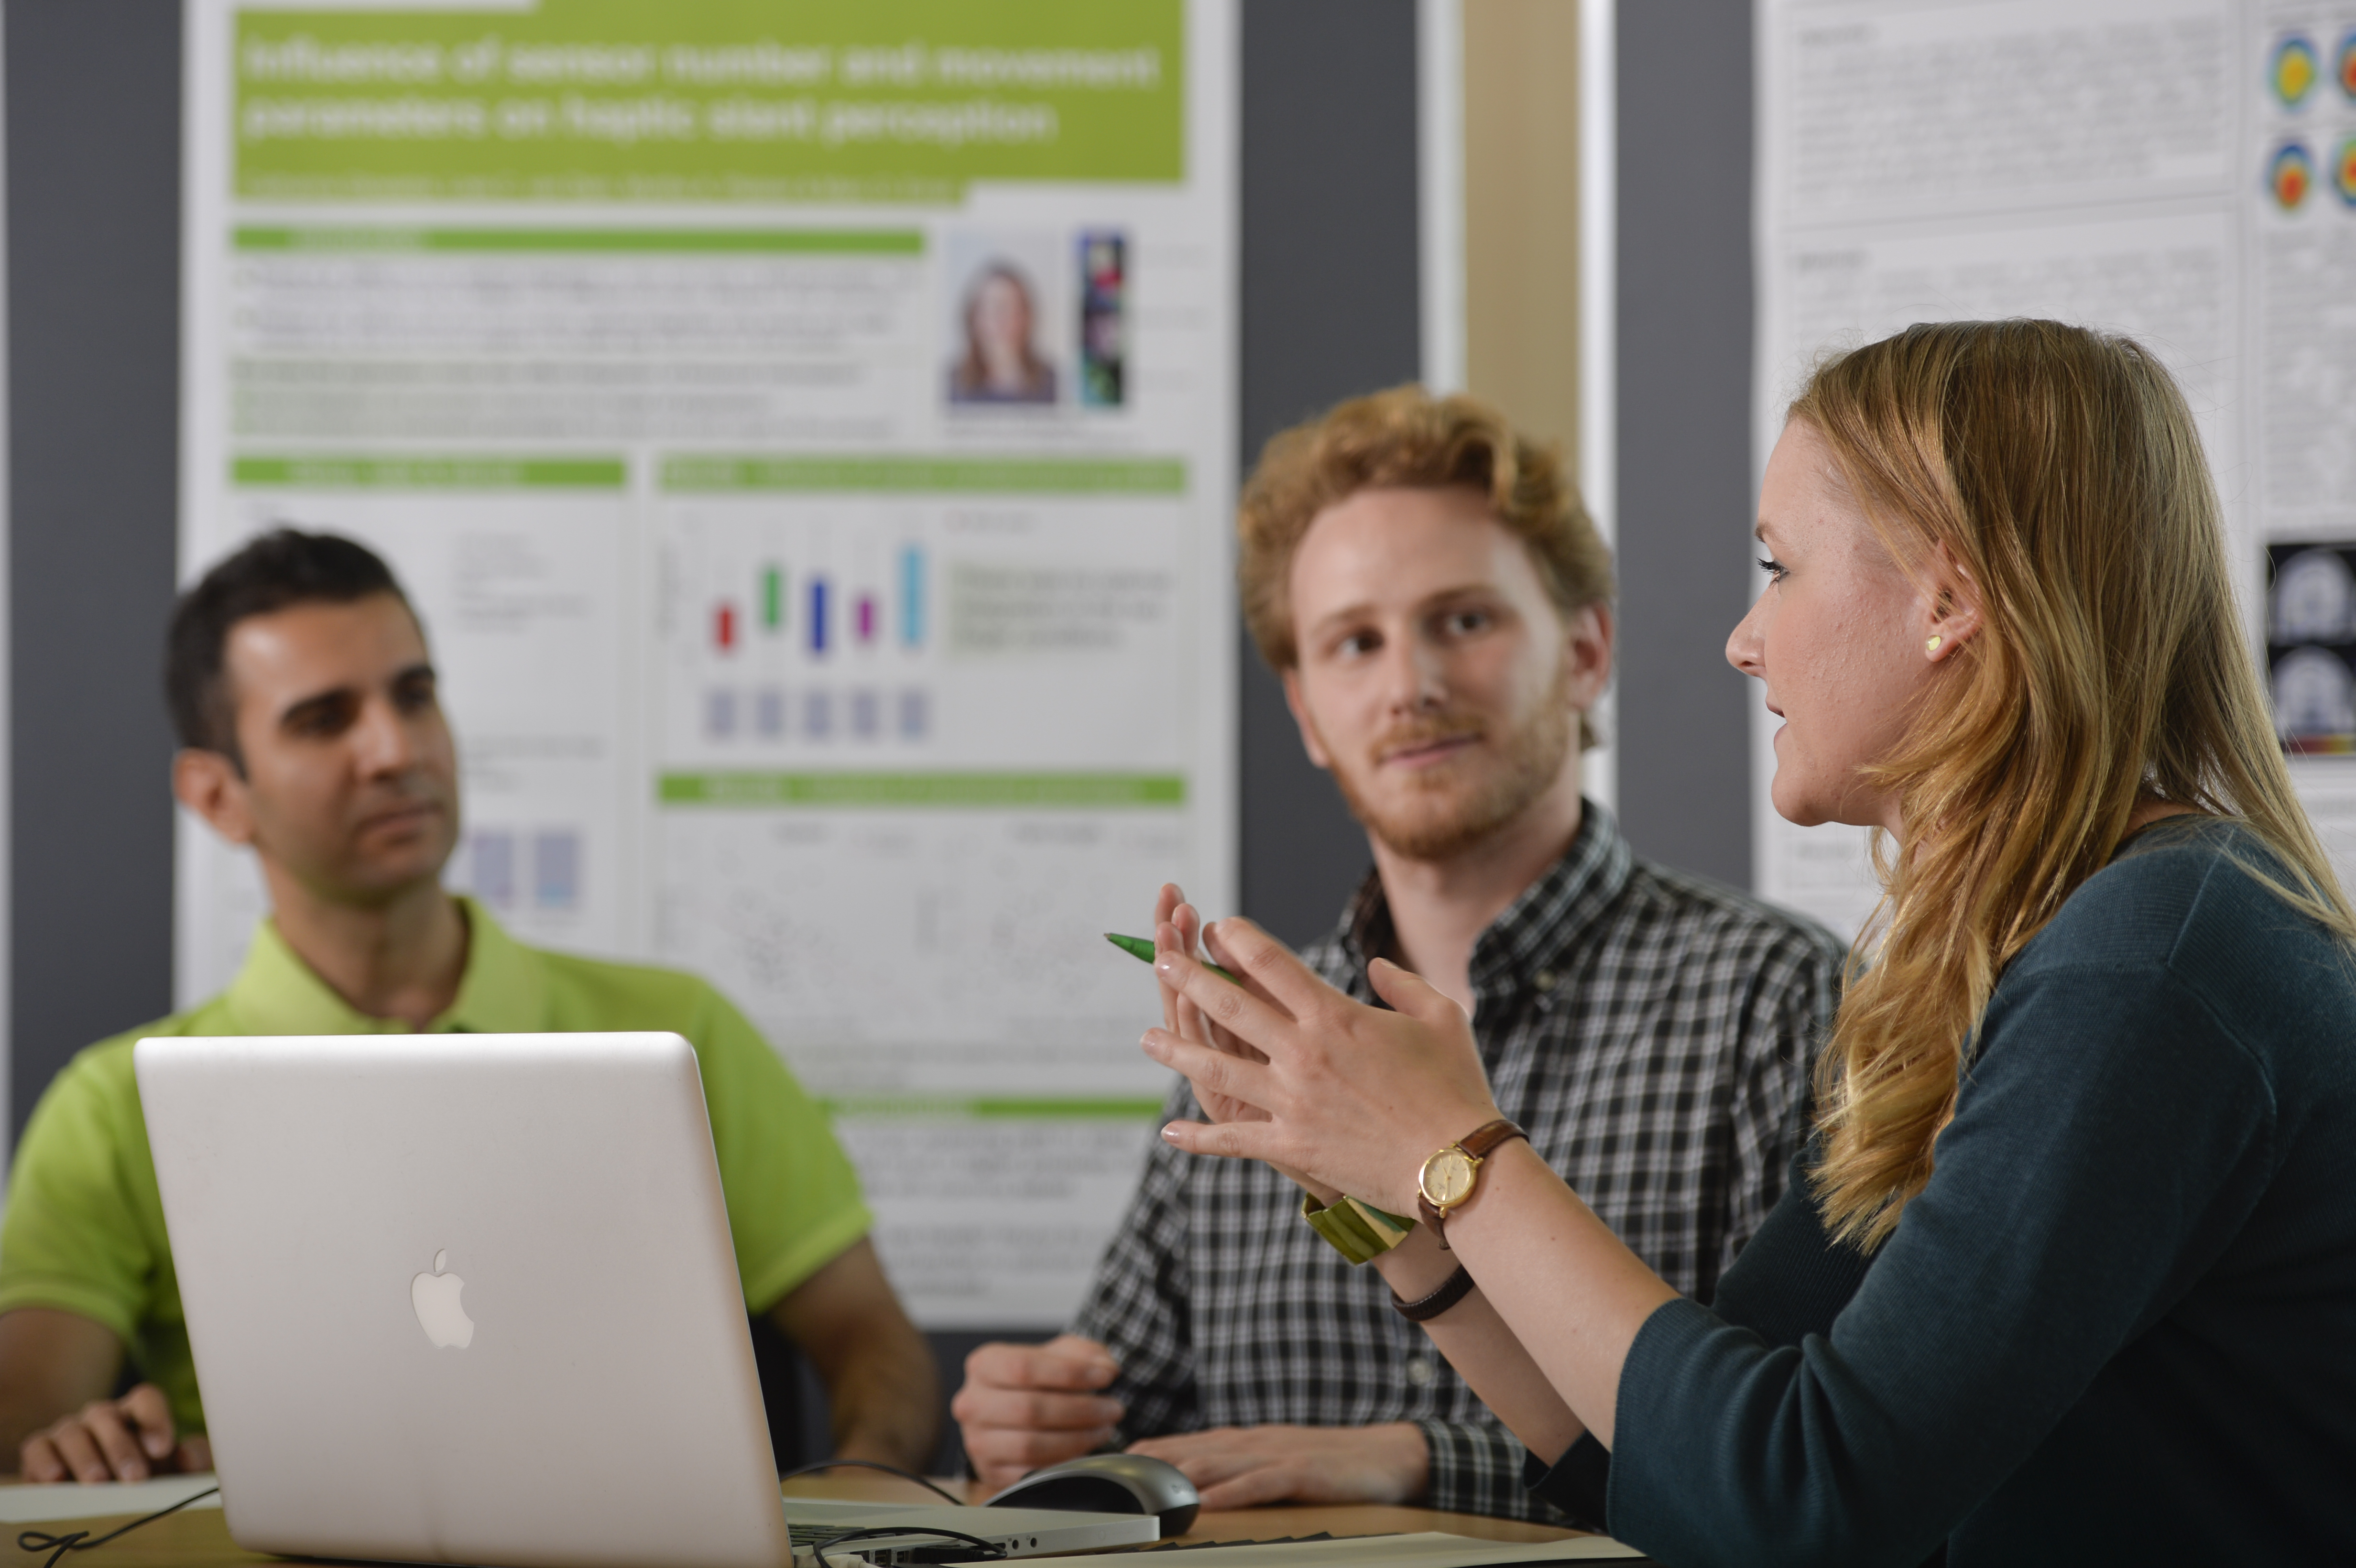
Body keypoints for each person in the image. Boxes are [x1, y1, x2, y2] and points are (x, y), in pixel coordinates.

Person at [1141, 322, 2356, 1562]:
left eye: (1780, 568)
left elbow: (1800, 1503)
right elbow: (1669, 1446)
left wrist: (1457, 1150)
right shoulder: (2019, 956)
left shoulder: (2147, 967)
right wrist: (1406, 1221)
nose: (1744, 639)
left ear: (1948, 598)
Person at [954, 388, 1843, 1518]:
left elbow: (1796, 1462)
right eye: (1355, 642)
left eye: (1464, 620)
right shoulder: (1259, 1041)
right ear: (1309, 713)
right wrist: (1038, 1418)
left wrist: (1428, 1456)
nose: (1409, 683)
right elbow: (1134, 1429)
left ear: (1585, 651)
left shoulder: (1777, 1001)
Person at [0, 531, 939, 1483]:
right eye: (325, 719)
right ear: (216, 794)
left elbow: (874, 1341)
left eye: (414, 694)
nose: (395, 749)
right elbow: (27, 1424)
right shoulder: (114, 1106)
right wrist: (88, 1455)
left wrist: (866, 1484)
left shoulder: (678, 1028)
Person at [948, 262, 1058, 405]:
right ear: (974, 317)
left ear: (1027, 317)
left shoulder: (1052, 383)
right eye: (995, 307)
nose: (1004, 319)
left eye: (1013, 308)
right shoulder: (950, 385)